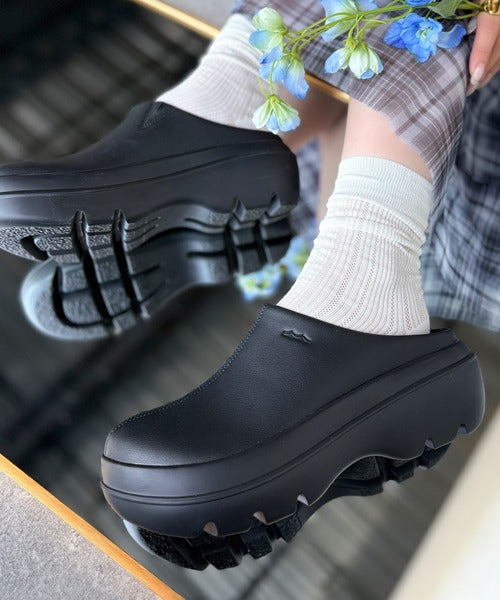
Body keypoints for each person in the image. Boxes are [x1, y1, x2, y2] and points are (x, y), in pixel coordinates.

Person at [1, 0, 498, 570]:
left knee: (405, 24)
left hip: (412, 171)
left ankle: (223, 129)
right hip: (408, 168)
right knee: (401, 24)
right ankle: (345, 264)